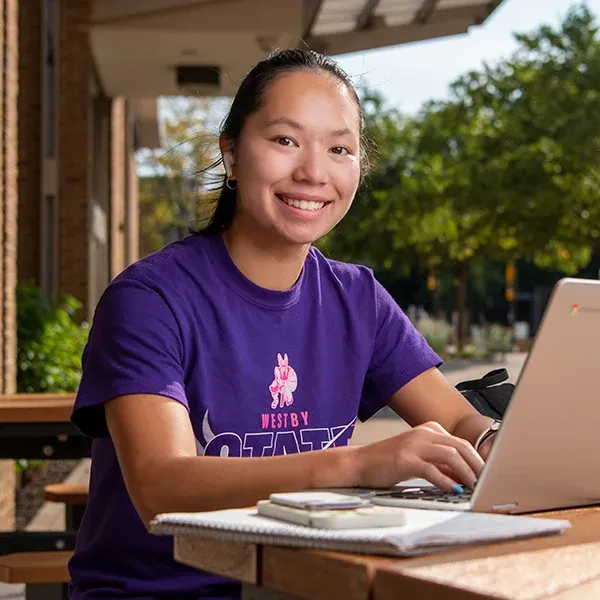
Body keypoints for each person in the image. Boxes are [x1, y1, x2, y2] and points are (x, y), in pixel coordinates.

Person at [68, 49, 498, 600]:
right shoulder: (149, 298)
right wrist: (359, 463)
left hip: (306, 586)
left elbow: (462, 425)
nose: (313, 173)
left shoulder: (357, 298)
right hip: (163, 592)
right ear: (231, 153)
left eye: (339, 148)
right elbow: (161, 485)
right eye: (285, 140)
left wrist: (502, 445)